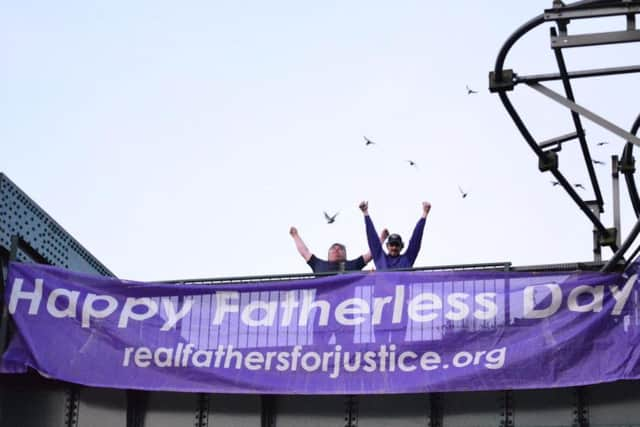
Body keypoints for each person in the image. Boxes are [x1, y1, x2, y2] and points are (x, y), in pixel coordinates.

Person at [359, 200, 431, 270]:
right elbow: (373, 239)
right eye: (392, 245)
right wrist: (365, 213)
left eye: (397, 245)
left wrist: (424, 214)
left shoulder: (407, 259)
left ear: (401, 246)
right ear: (387, 246)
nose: (394, 247)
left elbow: (416, 239)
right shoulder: (380, 258)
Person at [289, 226, 388, 273]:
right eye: (333, 248)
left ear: (345, 254)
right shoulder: (318, 264)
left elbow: (371, 254)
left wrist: (382, 239)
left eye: (340, 249)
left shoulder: (353, 264)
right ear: (327, 254)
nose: (336, 250)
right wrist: (295, 235)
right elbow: (304, 252)